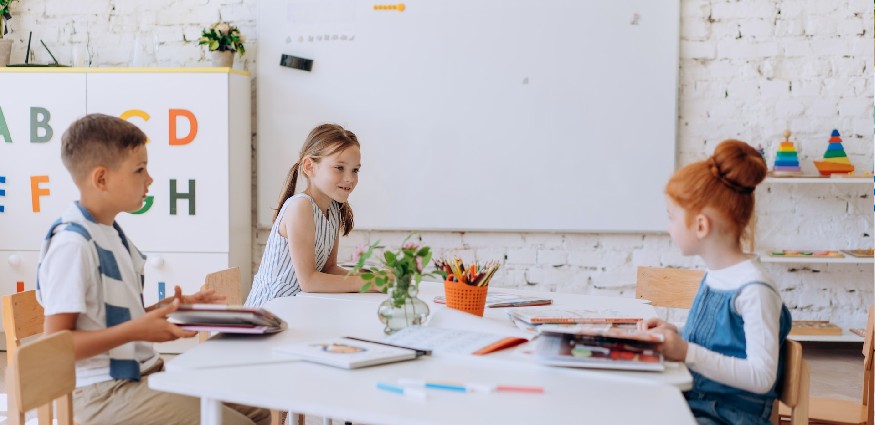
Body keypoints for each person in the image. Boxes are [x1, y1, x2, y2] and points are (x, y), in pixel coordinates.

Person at [38, 114, 270, 425]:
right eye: (139, 170)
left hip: (142, 374)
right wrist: (139, 328)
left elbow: (108, 318)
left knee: (260, 409)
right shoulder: (73, 245)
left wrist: (168, 310)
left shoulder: (110, 233)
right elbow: (57, 348)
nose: (150, 179)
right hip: (102, 394)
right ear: (101, 179)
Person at [647, 139, 792, 425]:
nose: (668, 227)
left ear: (701, 225)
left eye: (672, 217)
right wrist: (677, 331)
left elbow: (762, 377)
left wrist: (686, 351)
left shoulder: (754, 290)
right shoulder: (717, 275)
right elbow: (722, 342)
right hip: (696, 403)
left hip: (728, 417)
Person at [245, 123, 369, 307]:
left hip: (297, 308)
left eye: (355, 170)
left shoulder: (334, 209)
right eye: (339, 168)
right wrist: (369, 283)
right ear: (310, 167)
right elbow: (309, 281)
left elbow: (329, 269)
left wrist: (375, 277)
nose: (350, 178)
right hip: (269, 311)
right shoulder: (300, 207)